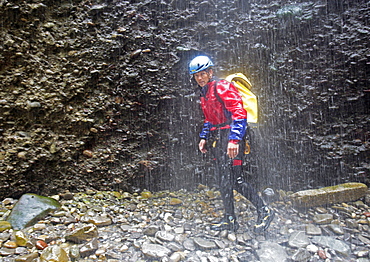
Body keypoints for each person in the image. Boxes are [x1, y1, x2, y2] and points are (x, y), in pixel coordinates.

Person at [189, 55, 275, 233]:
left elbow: (239, 113)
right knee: (223, 180)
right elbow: (210, 119)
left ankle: (264, 211)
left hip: (232, 137)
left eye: (203, 74)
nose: (200, 78)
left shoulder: (222, 87)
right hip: (219, 138)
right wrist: (204, 137)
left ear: (210, 72)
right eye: (197, 75)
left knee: (235, 179)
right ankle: (230, 219)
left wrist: (234, 140)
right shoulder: (205, 93)